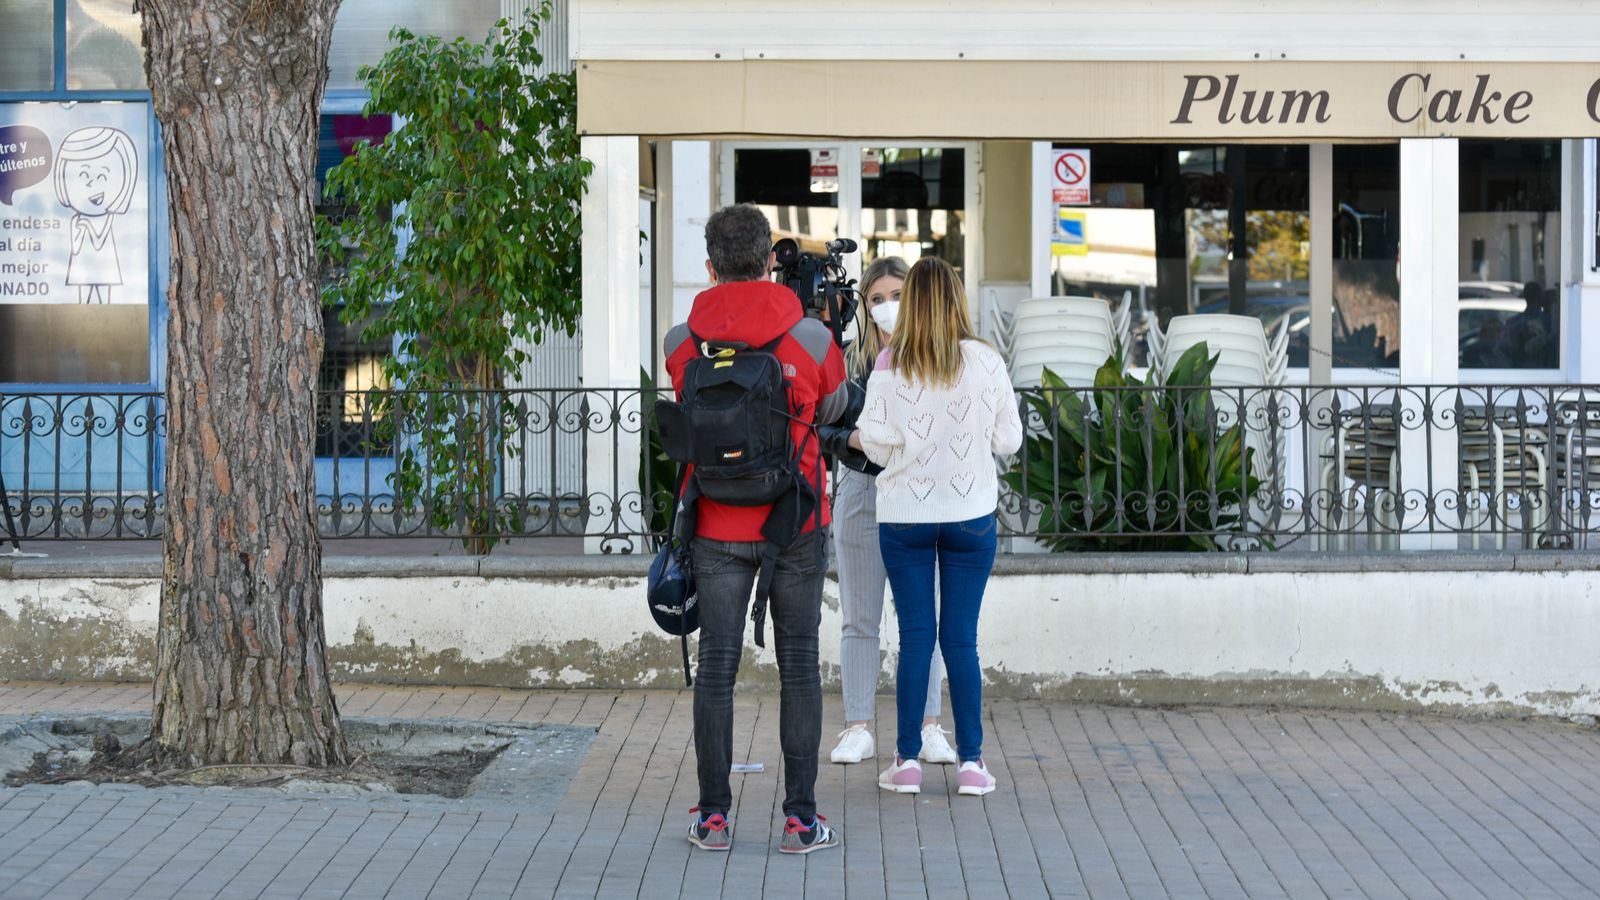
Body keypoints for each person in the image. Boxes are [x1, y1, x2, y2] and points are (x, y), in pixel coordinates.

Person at [662, 204, 848, 854]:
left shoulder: (680, 342)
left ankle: (713, 818)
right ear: (772, 260)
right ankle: (801, 821)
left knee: (716, 668)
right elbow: (832, 403)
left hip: (714, 520)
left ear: (709, 266)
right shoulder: (813, 338)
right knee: (798, 665)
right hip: (794, 521)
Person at [856, 256, 1023, 797]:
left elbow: (876, 445)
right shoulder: (986, 361)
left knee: (915, 640)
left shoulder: (888, 362)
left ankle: (906, 762)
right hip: (970, 515)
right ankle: (972, 765)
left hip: (904, 518)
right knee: (961, 641)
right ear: (955, 298)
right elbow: (1009, 441)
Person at [817, 255, 957, 767]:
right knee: (859, 615)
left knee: (923, 618)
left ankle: (930, 726)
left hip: (921, 497)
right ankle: (858, 726)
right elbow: (824, 425)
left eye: (897, 296)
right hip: (862, 491)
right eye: (876, 299)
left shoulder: (937, 356)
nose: (887, 307)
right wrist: (858, 439)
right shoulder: (851, 361)